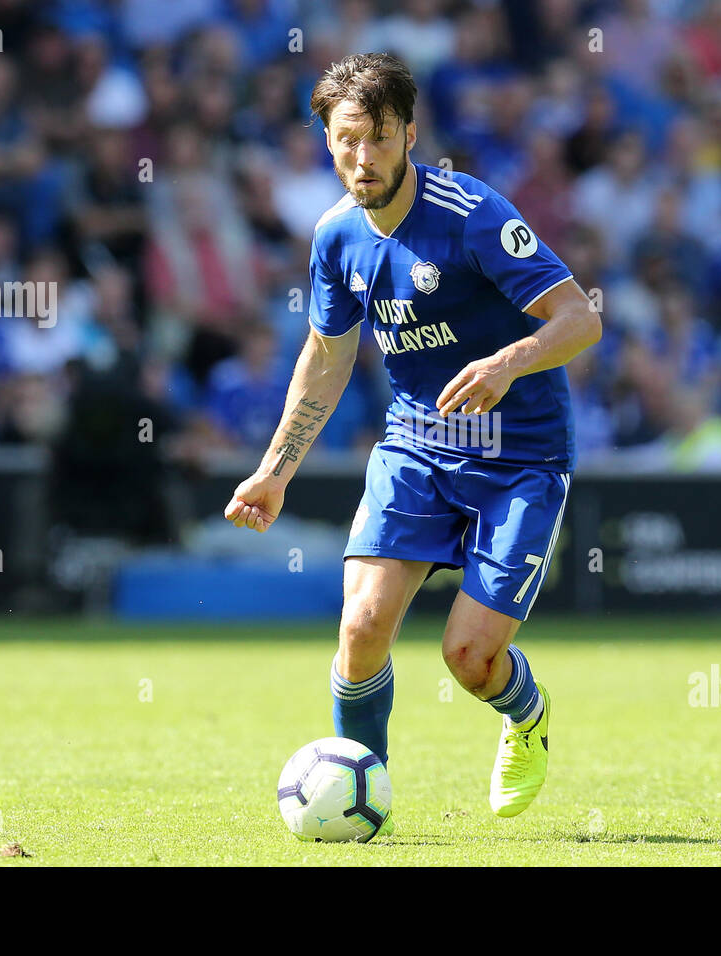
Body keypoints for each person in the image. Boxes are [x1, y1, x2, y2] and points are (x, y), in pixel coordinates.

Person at [224, 53, 599, 828]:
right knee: (360, 631)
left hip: (520, 457)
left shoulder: (475, 217)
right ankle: (364, 800)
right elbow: (326, 357)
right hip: (417, 449)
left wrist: (508, 360)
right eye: (346, 140)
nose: (364, 158)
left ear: (410, 136)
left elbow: (580, 319)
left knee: (469, 660)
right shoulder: (335, 238)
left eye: (381, 138)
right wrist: (274, 472)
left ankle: (527, 717)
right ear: (326, 141)